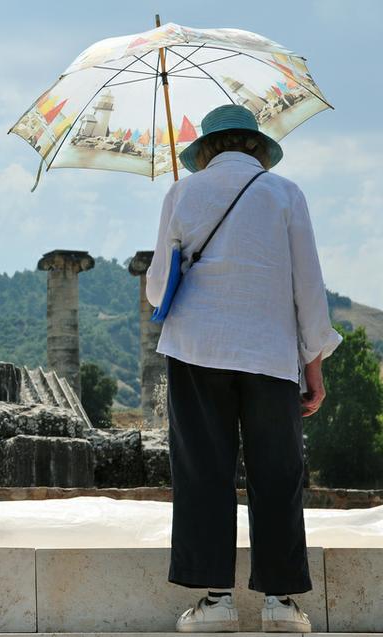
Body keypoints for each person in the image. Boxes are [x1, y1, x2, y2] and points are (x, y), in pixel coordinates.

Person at [146, 104, 341, 633]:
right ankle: (281, 603)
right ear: (256, 146)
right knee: (278, 472)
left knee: (203, 472)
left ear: (206, 149)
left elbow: (156, 288)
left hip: (197, 349)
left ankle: (215, 603)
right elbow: (308, 288)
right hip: (270, 353)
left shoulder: (181, 193)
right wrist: (314, 370)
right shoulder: (286, 194)